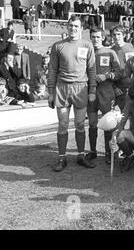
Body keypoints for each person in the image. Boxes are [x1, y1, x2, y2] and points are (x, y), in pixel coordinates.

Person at [47, 15, 97, 172]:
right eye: (70, 26)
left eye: (76, 26)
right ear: (67, 27)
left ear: (81, 29)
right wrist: (50, 92)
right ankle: (62, 158)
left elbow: (92, 69)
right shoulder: (58, 46)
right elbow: (52, 70)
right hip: (62, 89)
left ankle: (81, 156)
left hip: (81, 88)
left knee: (80, 124)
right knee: (63, 124)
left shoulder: (87, 45)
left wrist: (92, 90)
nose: (73, 29)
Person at [86, 28, 122, 164]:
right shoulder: (87, 52)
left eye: (97, 37)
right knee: (92, 123)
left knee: (109, 123)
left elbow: (119, 73)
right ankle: (93, 151)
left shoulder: (110, 52)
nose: (95, 39)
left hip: (107, 92)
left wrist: (106, 76)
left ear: (102, 38)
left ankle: (109, 152)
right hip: (91, 92)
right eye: (93, 37)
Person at [111, 25, 134, 110]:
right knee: (120, 115)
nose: (116, 37)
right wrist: (114, 88)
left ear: (124, 35)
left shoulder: (131, 47)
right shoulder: (111, 51)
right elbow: (109, 71)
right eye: (114, 35)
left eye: (119, 34)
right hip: (119, 87)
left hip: (133, 85)